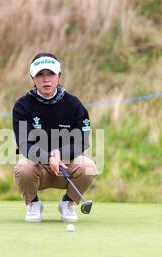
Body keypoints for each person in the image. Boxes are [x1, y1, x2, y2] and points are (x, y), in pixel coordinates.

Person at [12, 52, 98, 223]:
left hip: (66, 165)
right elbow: (24, 144)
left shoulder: (73, 104)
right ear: (32, 77)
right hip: (38, 167)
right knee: (23, 168)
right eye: (40, 75)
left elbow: (83, 140)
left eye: (50, 74)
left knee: (89, 167)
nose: (46, 80)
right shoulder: (23, 106)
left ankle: (68, 203)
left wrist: (59, 154)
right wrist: (48, 157)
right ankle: (33, 203)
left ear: (59, 76)